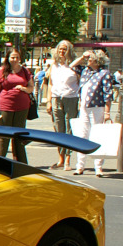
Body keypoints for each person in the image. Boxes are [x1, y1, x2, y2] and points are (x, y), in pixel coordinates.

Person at [73, 50, 113, 177]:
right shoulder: (85, 71)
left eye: (91, 58)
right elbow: (72, 66)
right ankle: (80, 166)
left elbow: (108, 94)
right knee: (82, 135)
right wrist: (82, 56)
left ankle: (98, 166)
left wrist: (107, 112)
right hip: (84, 107)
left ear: (97, 60)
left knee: (97, 136)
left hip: (97, 107)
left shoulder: (104, 73)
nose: (88, 60)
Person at [0, 48, 33, 163]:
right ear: (8, 58)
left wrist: (24, 88)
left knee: (19, 136)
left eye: (17, 57)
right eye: (12, 57)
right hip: (6, 106)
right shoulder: (2, 71)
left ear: (20, 58)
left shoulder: (25, 71)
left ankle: (21, 162)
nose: (14, 59)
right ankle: (0, 161)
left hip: (22, 107)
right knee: (4, 136)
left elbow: (31, 88)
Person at [46, 40, 80, 169]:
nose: (62, 52)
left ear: (69, 51)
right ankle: (60, 158)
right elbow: (50, 83)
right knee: (58, 129)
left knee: (69, 129)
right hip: (56, 98)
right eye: (60, 49)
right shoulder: (54, 65)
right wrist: (48, 101)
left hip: (71, 98)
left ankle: (68, 159)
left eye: (64, 49)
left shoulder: (74, 66)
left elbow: (80, 82)